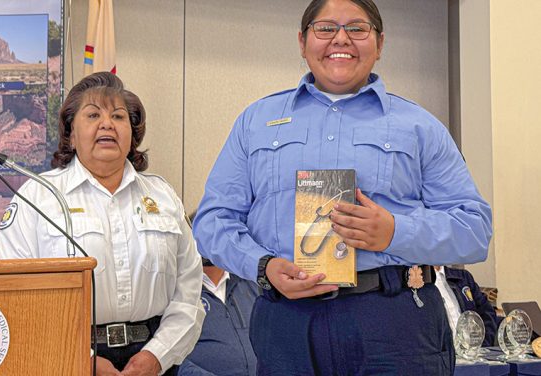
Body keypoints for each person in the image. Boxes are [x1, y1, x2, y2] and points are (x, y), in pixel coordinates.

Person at [193, 0, 492, 375]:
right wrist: (263, 266)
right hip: (286, 321)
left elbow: (475, 229)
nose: (341, 39)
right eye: (325, 28)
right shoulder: (256, 121)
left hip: (394, 321)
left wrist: (394, 232)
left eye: (357, 28)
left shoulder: (419, 126)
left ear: (380, 43)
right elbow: (212, 221)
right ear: (302, 42)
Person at [0, 72, 204, 376]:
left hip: (155, 360)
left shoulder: (163, 196)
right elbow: (18, 297)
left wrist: (157, 357)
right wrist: (84, 358)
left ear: (132, 133)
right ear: (70, 132)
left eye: (118, 116)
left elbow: (188, 292)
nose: (107, 123)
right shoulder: (36, 197)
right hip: (69, 359)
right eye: (93, 114)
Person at [178, 212, 258, 376]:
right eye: (202, 235)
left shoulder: (251, 285)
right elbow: (165, 356)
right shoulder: (175, 290)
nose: (209, 243)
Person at [434, 266, 498, 347]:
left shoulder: (463, 277)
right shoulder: (417, 282)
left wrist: (483, 345)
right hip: (441, 355)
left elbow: (487, 312)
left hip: (474, 353)